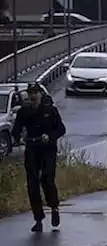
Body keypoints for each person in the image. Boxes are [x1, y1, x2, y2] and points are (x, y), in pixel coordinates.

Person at [12, 83, 66, 233]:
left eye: (35, 93)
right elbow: (16, 131)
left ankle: (54, 207)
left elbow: (61, 129)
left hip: (48, 149)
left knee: (47, 179)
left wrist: (49, 136)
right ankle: (38, 219)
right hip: (32, 149)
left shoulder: (50, 111)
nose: (33, 96)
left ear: (40, 95)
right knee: (32, 185)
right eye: (31, 94)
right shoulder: (24, 112)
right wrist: (18, 138)